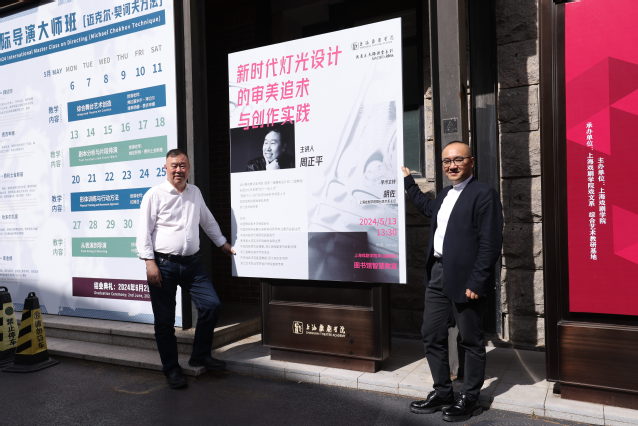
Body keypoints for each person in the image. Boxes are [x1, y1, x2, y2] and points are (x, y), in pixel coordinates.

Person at [402, 141, 502, 422]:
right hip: (437, 273)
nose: (452, 166)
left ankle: (470, 397)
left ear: (471, 161)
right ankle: (443, 392)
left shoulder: (484, 194)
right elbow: (428, 208)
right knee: (431, 333)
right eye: (447, 161)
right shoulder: (446, 194)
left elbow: (490, 243)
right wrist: (409, 183)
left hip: (466, 278)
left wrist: (478, 281)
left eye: (458, 160)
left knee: (470, 339)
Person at [136, 148, 236, 389]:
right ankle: (171, 369)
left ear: (188, 168)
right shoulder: (154, 194)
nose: (178, 170)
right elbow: (143, 231)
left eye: (182, 165)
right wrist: (149, 262)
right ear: (165, 168)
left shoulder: (195, 193)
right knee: (165, 321)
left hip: (192, 263)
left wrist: (223, 244)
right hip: (163, 265)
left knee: (211, 305)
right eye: (174, 165)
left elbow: (208, 221)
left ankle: (200, 355)